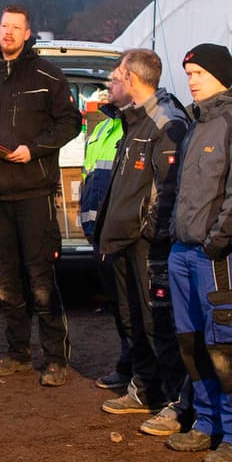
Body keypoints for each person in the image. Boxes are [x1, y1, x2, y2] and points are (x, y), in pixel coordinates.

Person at [0, 5, 82, 386]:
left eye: (16, 27)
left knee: (41, 279)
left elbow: (71, 122)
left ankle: (56, 359)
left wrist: (35, 148)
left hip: (34, 191)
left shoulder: (49, 75)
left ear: (29, 33)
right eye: (3, 27)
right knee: (5, 279)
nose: (8, 33)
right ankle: (17, 352)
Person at [165, 44, 232, 462]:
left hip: (219, 255)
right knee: (192, 343)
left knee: (227, 343)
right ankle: (205, 422)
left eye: (200, 72)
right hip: (184, 253)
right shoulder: (197, 124)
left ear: (222, 75)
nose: (192, 79)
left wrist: (217, 241)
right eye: (188, 72)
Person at [91, 50, 191, 428]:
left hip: (145, 244)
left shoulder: (165, 122)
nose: (112, 80)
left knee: (156, 322)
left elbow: (168, 189)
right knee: (133, 318)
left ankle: (176, 400)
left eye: (117, 73)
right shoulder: (131, 120)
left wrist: (146, 233)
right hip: (122, 241)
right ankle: (146, 387)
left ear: (132, 78)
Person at [78, 86, 135, 392]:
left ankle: (139, 372)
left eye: (115, 82)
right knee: (118, 303)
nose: (109, 88)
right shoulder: (102, 128)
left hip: (123, 233)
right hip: (99, 232)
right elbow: (90, 178)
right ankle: (128, 365)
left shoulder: (132, 127)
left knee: (132, 305)